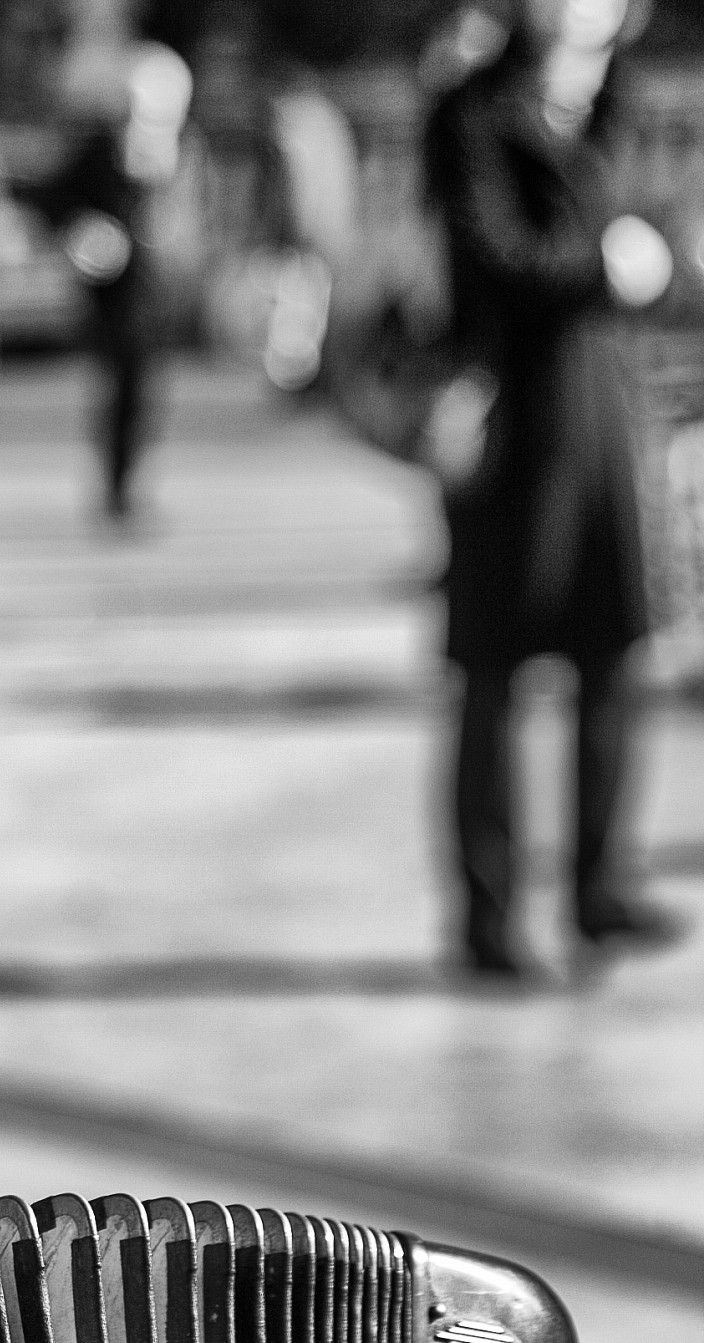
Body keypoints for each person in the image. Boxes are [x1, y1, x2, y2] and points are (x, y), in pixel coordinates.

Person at [423, 0, 686, 976]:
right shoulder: (472, 111)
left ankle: (598, 883)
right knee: (492, 669)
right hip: (514, 422)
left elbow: (655, 226)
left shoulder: (613, 100)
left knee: (615, 652)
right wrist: (604, 268)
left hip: (604, 409)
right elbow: (490, 257)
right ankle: (487, 913)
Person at [31, 41, 190, 528]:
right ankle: (115, 490)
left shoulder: (166, 148)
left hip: (150, 293)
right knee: (120, 392)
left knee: (144, 396)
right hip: (113, 297)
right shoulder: (98, 148)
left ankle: (130, 485)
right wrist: (84, 231)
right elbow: (50, 198)